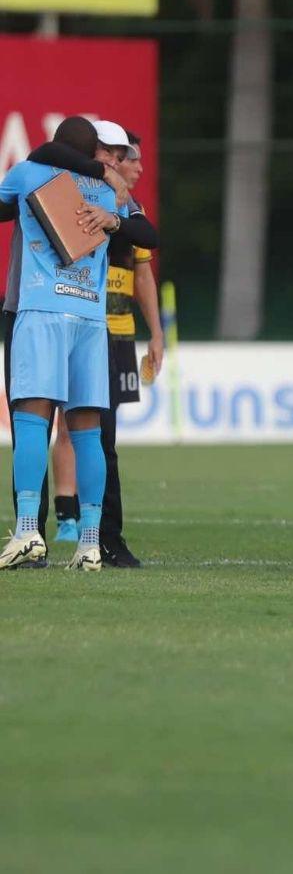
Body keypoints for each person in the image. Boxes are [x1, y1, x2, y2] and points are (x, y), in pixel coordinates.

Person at [0, 118, 137, 569]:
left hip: (42, 311)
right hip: (91, 319)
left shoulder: (31, 172)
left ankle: (25, 532)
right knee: (86, 432)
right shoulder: (108, 193)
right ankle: (90, 543)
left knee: (33, 421)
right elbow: (138, 235)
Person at [30, 123, 162, 566]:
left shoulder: (121, 199)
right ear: (105, 155)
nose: (137, 167)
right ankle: (50, 528)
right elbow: (45, 152)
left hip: (111, 331)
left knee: (98, 435)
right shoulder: (58, 179)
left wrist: (156, 334)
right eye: (128, 157)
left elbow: (146, 250)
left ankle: (101, 535)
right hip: (63, 319)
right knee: (57, 426)